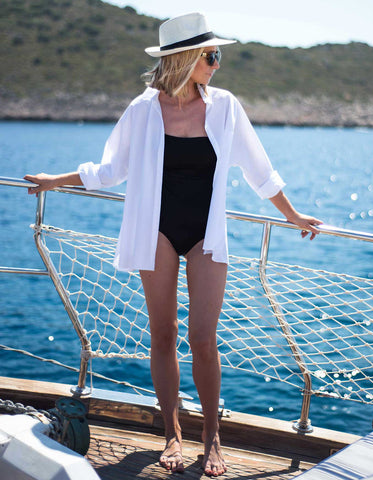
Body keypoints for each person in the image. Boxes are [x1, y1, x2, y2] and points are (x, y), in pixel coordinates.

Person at [25, 12, 322, 477]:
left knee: (203, 340)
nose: (217, 65)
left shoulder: (224, 106)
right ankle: (172, 433)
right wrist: (52, 181)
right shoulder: (142, 110)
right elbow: (107, 171)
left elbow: (258, 169)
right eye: (211, 56)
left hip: (206, 233)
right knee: (162, 335)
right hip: (156, 230)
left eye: (217, 55)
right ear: (185, 59)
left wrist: (293, 215)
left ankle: (212, 437)